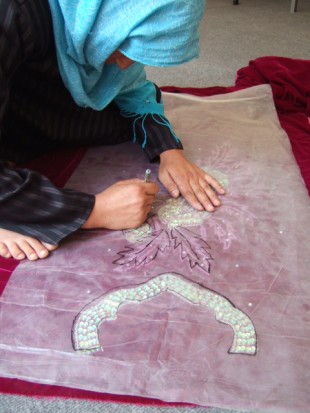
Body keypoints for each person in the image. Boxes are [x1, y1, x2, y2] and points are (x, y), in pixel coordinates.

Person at [0, 0, 225, 261]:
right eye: (125, 46)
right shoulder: (11, 13)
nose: (126, 65)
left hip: (25, 100)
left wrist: (168, 151)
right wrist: (94, 211)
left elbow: (132, 91)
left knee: (115, 115)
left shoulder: (90, 18)